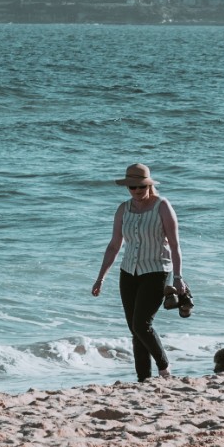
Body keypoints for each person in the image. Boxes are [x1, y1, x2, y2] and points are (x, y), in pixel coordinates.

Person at [92, 163, 183, 381]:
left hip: (156, 271)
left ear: (148, 185)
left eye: (140, 187)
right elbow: (114, 245)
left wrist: (178, 277)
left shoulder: (162, 206)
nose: (136, 191)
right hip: (128, 273)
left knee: (142, 324)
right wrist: (101, 277)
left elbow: (175, 244)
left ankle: (164, 368)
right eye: (131, 188)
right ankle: (143, 378)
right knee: (135, 329)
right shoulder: (123, 209)